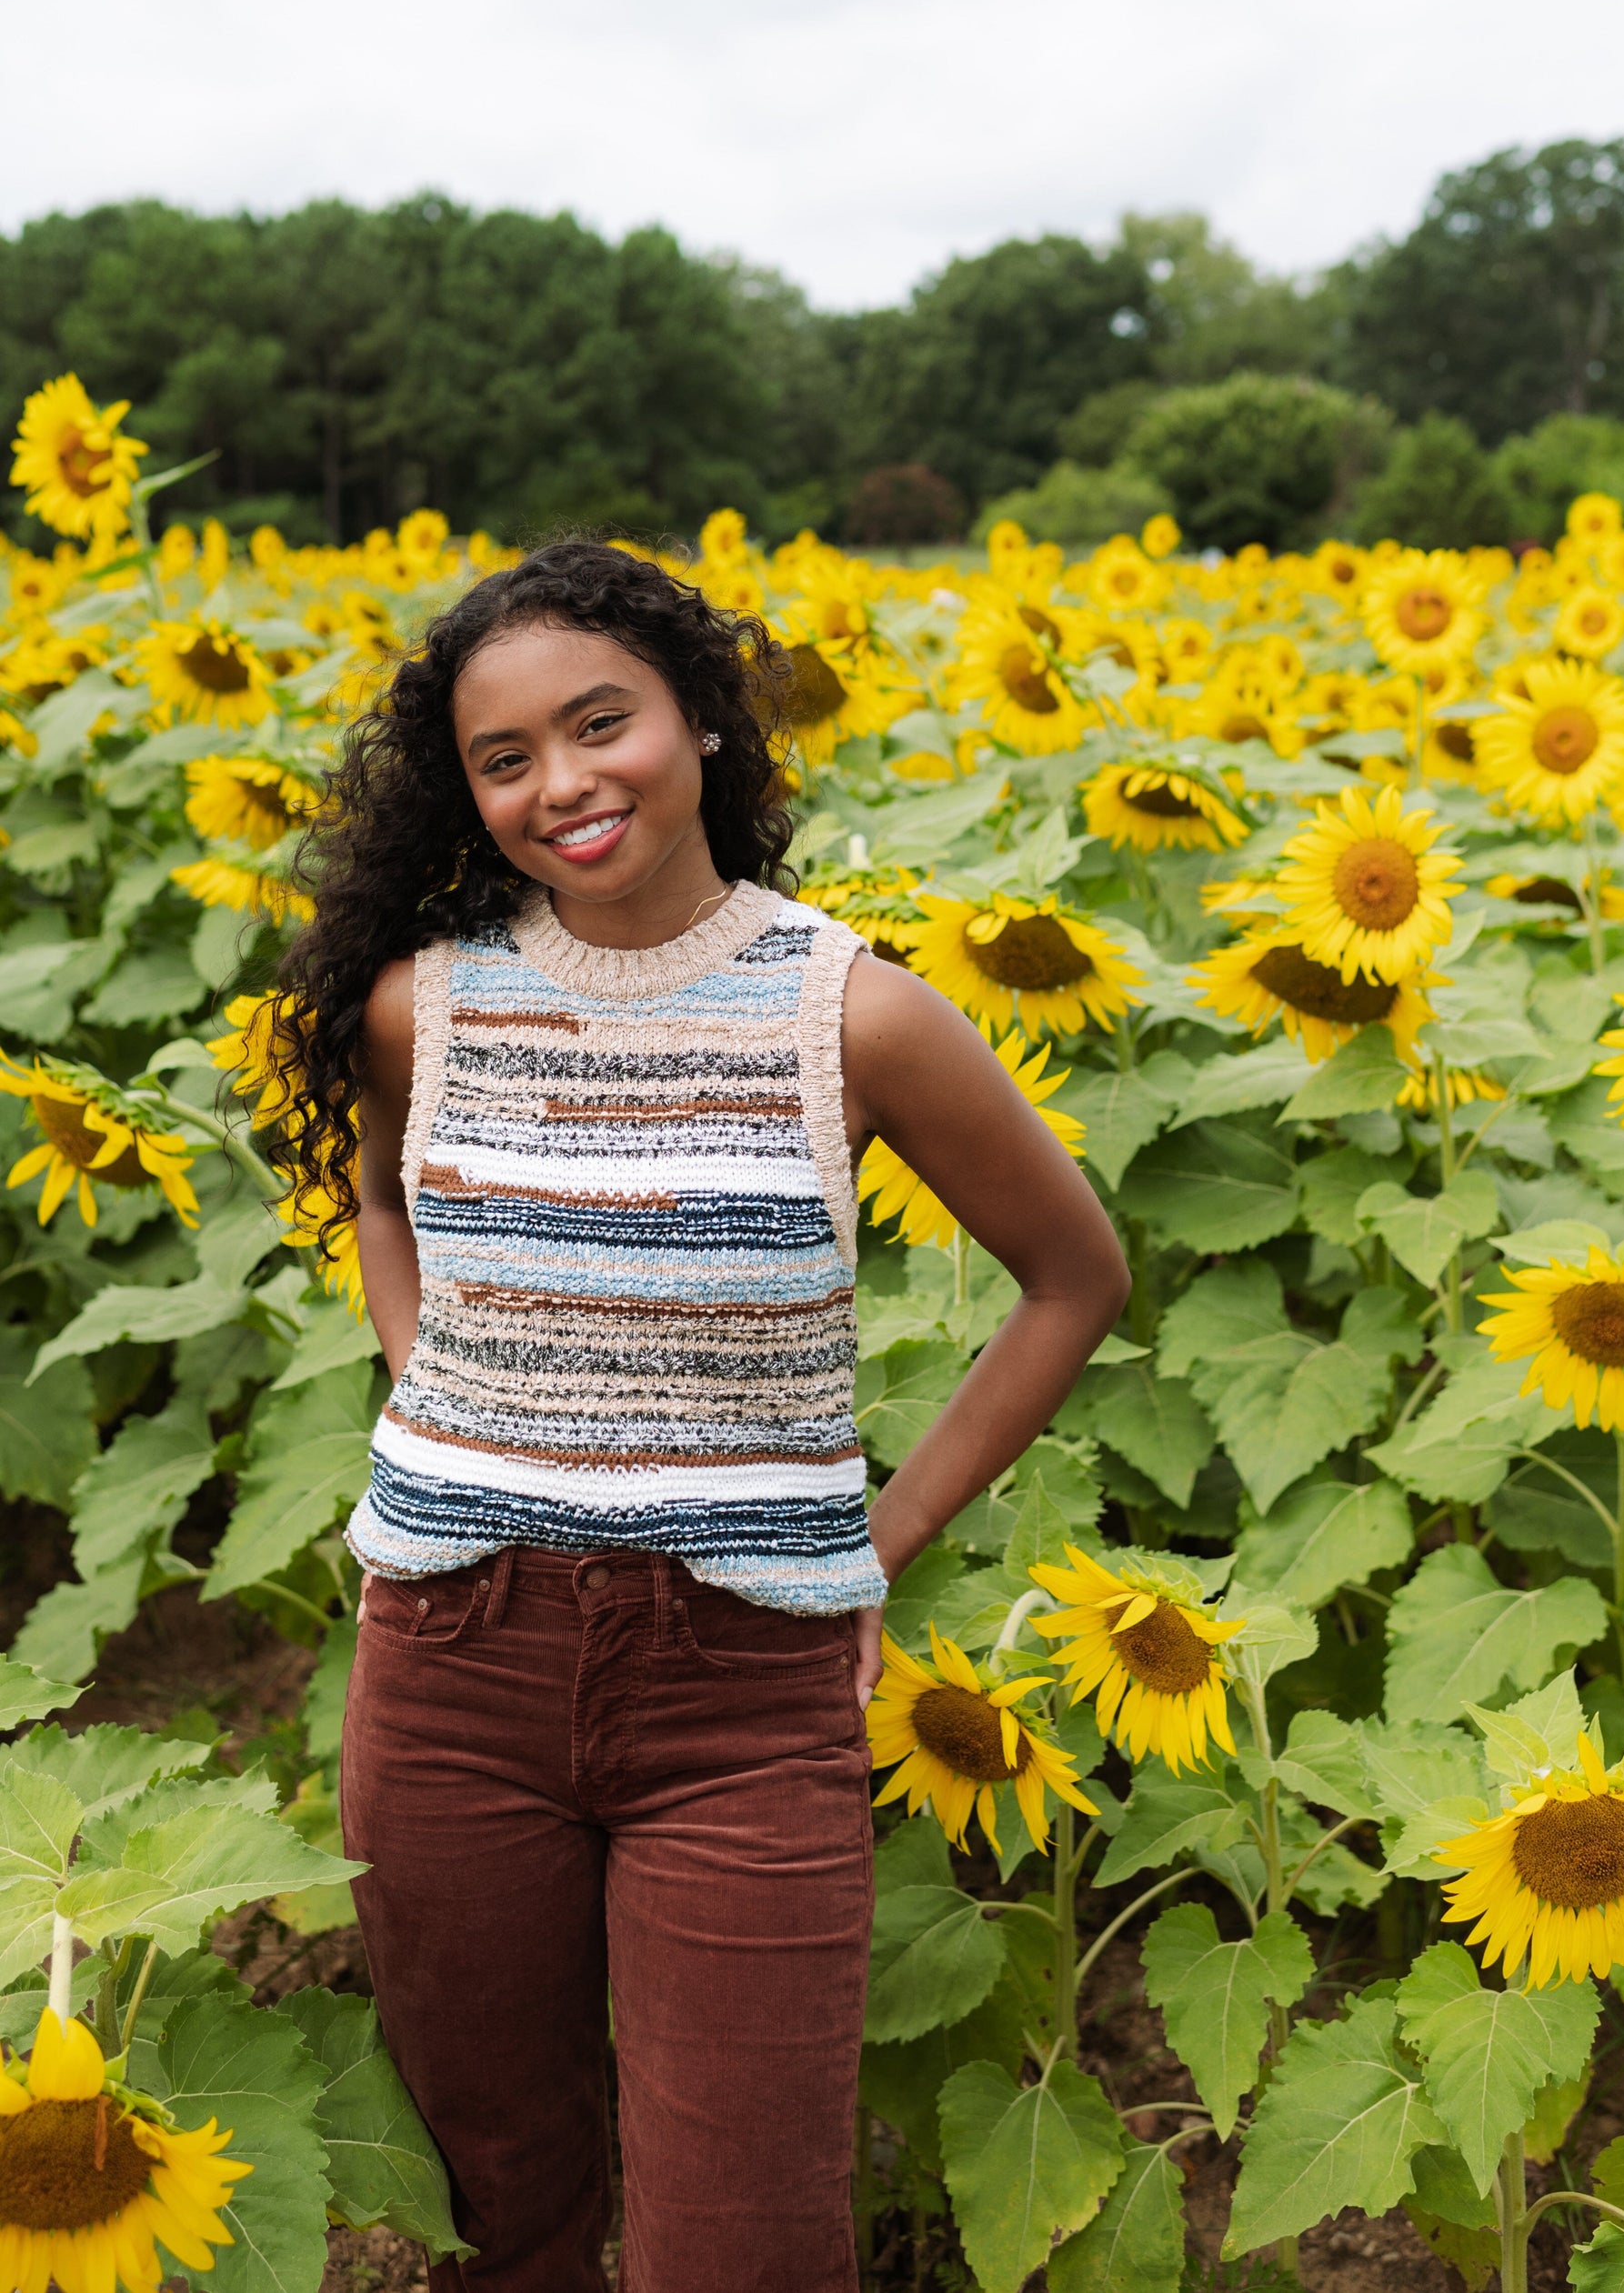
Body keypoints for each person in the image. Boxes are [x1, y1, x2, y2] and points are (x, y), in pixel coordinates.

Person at [270, 536, 1128, 2292]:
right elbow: (379, 1203)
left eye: (603, 726)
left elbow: (1074, 1279)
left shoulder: (854, 1014)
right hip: (448, 1671)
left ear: (704, 727)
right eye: (503, 760)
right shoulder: (416, 1008)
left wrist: (874, 1537)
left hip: (741, 1697)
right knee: (498, 2206)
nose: (561, 785)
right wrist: (440, 1380)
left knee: (743, 2246)